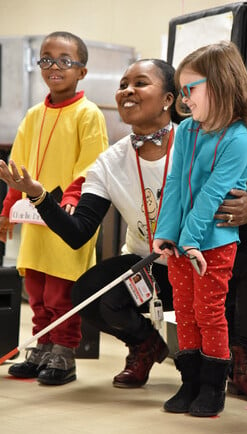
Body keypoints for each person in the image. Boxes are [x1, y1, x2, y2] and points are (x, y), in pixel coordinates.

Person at [0, 58, 247, 405]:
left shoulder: (205, 137)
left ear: (169, 98)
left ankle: (244, 364)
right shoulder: (107, 162)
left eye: (140, 83)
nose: (127, 91)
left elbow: (234, 213)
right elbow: (79, 232)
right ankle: (145, 345)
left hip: (204, 260)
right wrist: (39, 197)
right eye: (122, 84)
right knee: (89, 289)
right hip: (151, 267)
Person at [152, 41, 247, 417]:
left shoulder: (238, 138)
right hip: (184, 245)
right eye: (182, 90)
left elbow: (210, 197)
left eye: (191, 89)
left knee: (208, 314)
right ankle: (189, 383)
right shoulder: (185, 131)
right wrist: (165, 234)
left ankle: (212, 387)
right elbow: (173, 186)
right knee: (183, 312)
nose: (184, 99)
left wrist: (189, 242)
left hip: (212, 245)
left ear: (220, 84)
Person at [0, 31, 108, 385]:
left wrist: (73, 197)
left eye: (65, 60)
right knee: (37, 290)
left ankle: (64, 352)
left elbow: (92, 164)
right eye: (46, 59)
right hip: (34, 219)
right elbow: (16, 167)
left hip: (65, 218)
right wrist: (8, 207)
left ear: (82, 71)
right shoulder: (33, 115)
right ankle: (42, 346)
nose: (54, 66)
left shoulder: (88, 114)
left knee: (62, 291)